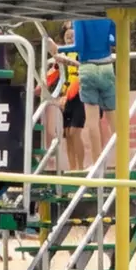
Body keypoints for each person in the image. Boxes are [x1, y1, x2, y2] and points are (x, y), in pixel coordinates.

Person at [71, 18, 117, 164]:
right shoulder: (109, 17)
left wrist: (57, 49)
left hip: (87, 66)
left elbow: (79, 45)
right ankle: (123, 160)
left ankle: (97, 162)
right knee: (114, 118)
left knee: (92, 121)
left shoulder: (79, 17)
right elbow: (114, 41)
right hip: (107, 65)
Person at [49, 22, 86, 171]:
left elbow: (81, 73)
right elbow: (54, 72)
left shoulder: (81, 52)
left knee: (74, 132)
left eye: (72, 35)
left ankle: (81, 168)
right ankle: (72, 168)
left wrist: (69, 94)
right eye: (67, 36)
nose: (70, 38)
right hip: (66, 95)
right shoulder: (62, 55)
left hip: (80, 95)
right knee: (67, 134)